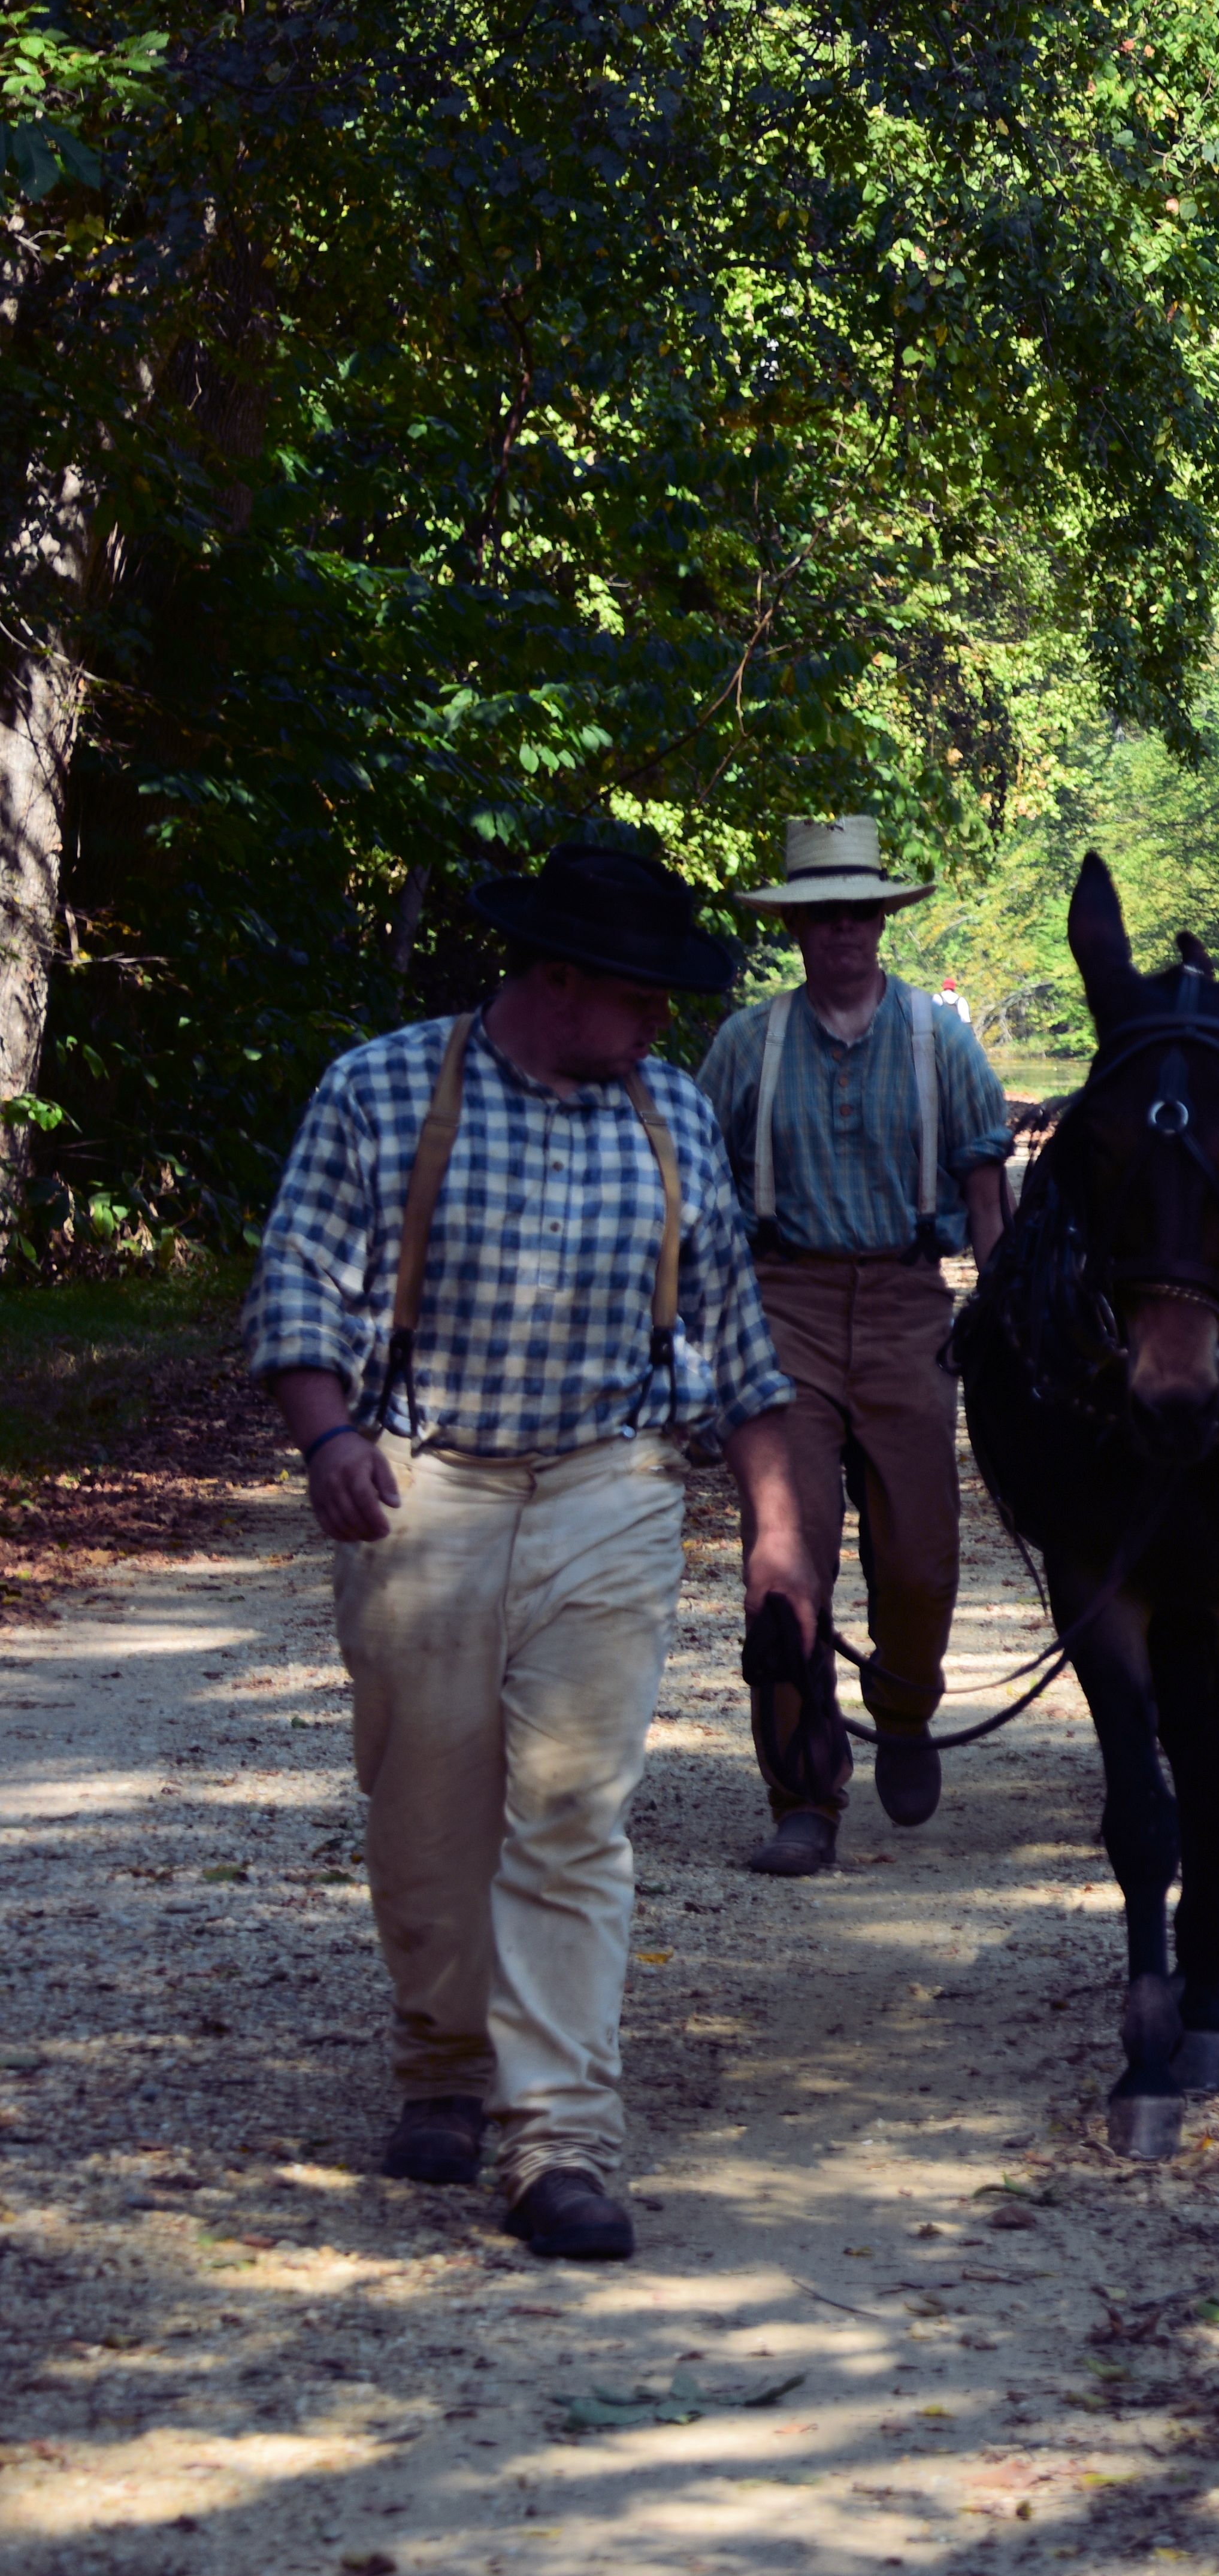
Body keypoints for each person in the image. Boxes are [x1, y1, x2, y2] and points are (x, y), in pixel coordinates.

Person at [249, 840, 810, 2260]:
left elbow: (739, 1345)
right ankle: (443, 2064)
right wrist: (327, 1436)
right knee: (428, 1800)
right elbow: (299, 1279)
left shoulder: (673, 1112)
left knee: (572, 1810)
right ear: (558, 977)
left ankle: (558, 2133)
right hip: (422, 1485)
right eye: (642, 992)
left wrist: (780, 1535)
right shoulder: (382, 1087)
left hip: (611, 1486)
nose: (662, 1022)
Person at [698, 818, 1012, 1880]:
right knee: (784, 1568)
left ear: (884, 922)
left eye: (861, 913)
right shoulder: (749, 1041)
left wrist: (1000, 1312)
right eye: (824, 915)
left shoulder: (940, 1038)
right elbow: (700, 1195)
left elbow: (982, 1186)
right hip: (779, 1303)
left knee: (920, 1558)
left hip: (907, 1305)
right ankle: (803, 1794)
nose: (844, 932)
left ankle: (906, 1710)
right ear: (794, 929)